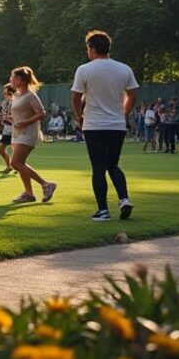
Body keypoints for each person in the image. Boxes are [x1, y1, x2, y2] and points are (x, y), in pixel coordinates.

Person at [71, 30, 138, 221]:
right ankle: (124, 199)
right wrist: (124, 113)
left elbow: (76, 96)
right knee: (113, 165)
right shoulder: (124, 69)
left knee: (98, 168)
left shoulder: (84, 69)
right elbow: (133, 95)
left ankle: (103, 210)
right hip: (116, 125)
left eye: (88, 48)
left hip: (94, 124)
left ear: (92, 48)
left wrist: (79, 116)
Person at [1, 66, 58, 204]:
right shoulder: (17, 95)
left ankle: (46, 184)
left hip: (28, 133)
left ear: (20, 80)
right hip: (17, 132)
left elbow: (42, 113)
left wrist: (25, 122)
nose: (10, 79)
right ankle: (29, 193)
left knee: (15, 163)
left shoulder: (30, 96)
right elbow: (20, 114)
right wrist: (11, 119)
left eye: (13, 77)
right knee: (20, 163)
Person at [0, 85, 15, 175]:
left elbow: (18, 116)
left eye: (6, 93)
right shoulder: (4, 102)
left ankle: (19, 166)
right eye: (4, 93)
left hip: (15, 127)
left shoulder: (16, 102)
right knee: (1, 149)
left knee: (16, 149)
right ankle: (9, 166)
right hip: (7, 128)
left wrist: (7, 117)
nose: (4, 95)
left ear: (11, 92)